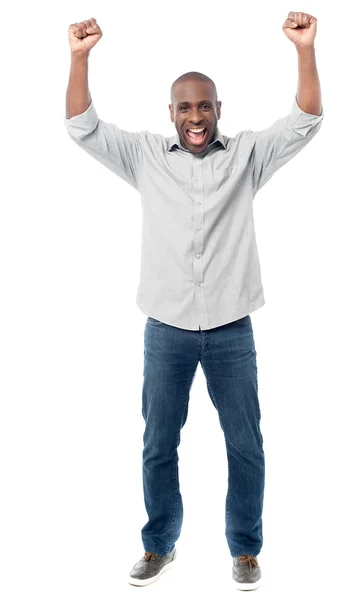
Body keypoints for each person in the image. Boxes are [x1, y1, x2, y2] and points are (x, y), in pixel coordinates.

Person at [64, 11, 324, 591]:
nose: (196, 117)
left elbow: (307, 120)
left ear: (219, 110)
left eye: (204, 106)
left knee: (246, 444)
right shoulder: (146, 157)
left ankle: (246, 549)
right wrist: (80, 58)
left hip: (233, 328)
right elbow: (82, 126)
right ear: (171, 114)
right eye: (185, 107)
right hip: (167, 328)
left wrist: (304, 49)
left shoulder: (248, 156)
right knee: (158, 442)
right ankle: (159, 545)